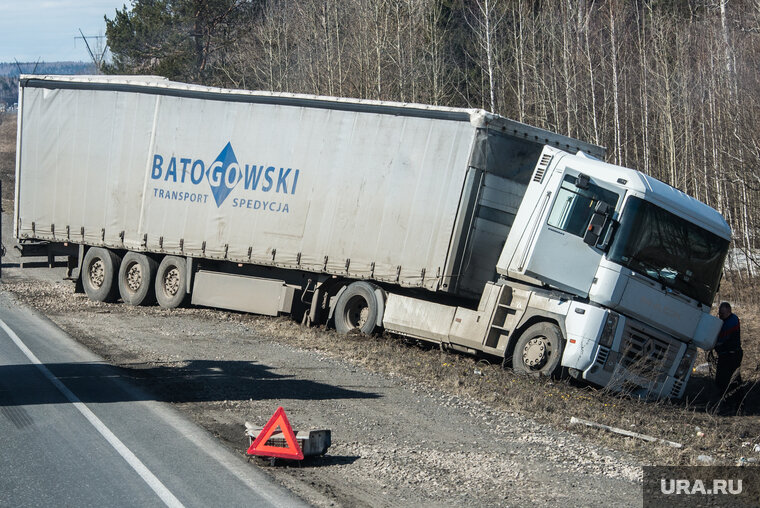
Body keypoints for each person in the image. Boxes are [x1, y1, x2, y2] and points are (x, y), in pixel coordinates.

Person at [715, 302, 743, 402]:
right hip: (727, 354)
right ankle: (728, 401)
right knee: (723, 380)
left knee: (730, 380)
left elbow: (722, 338)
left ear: (729, 312)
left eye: (722, 314)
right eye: (719, 313)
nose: (720, 316)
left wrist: (715, 343)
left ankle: (735, 402)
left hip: (732, 355)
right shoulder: (728, 320)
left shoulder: (731, 322)